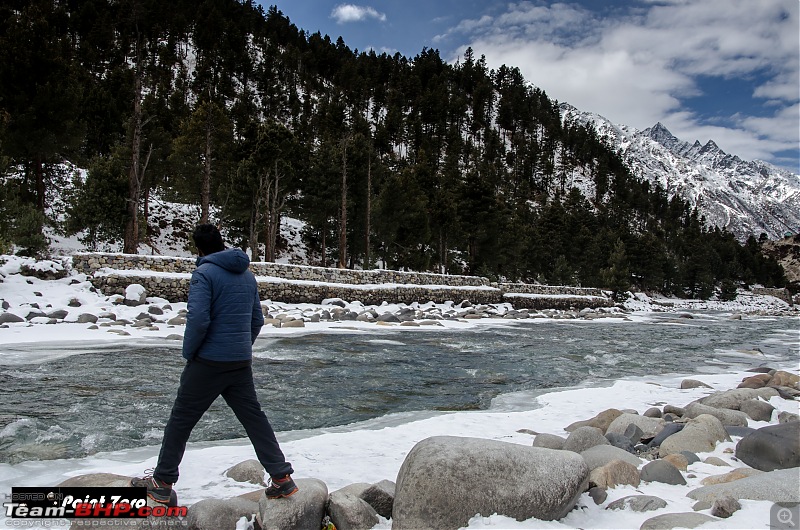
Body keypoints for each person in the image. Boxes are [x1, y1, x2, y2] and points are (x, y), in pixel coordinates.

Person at [132, 224, 297, 503]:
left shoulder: (203, 274)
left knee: (181, 421)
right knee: (254, 419)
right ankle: (281, 477)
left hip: (209, 361)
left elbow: (198, 320)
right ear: (222, 243)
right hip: (239, 362)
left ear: (198, 249)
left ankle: (162, 482)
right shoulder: (247, 275)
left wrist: (190, 353)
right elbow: (256, 320)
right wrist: (241, 347)